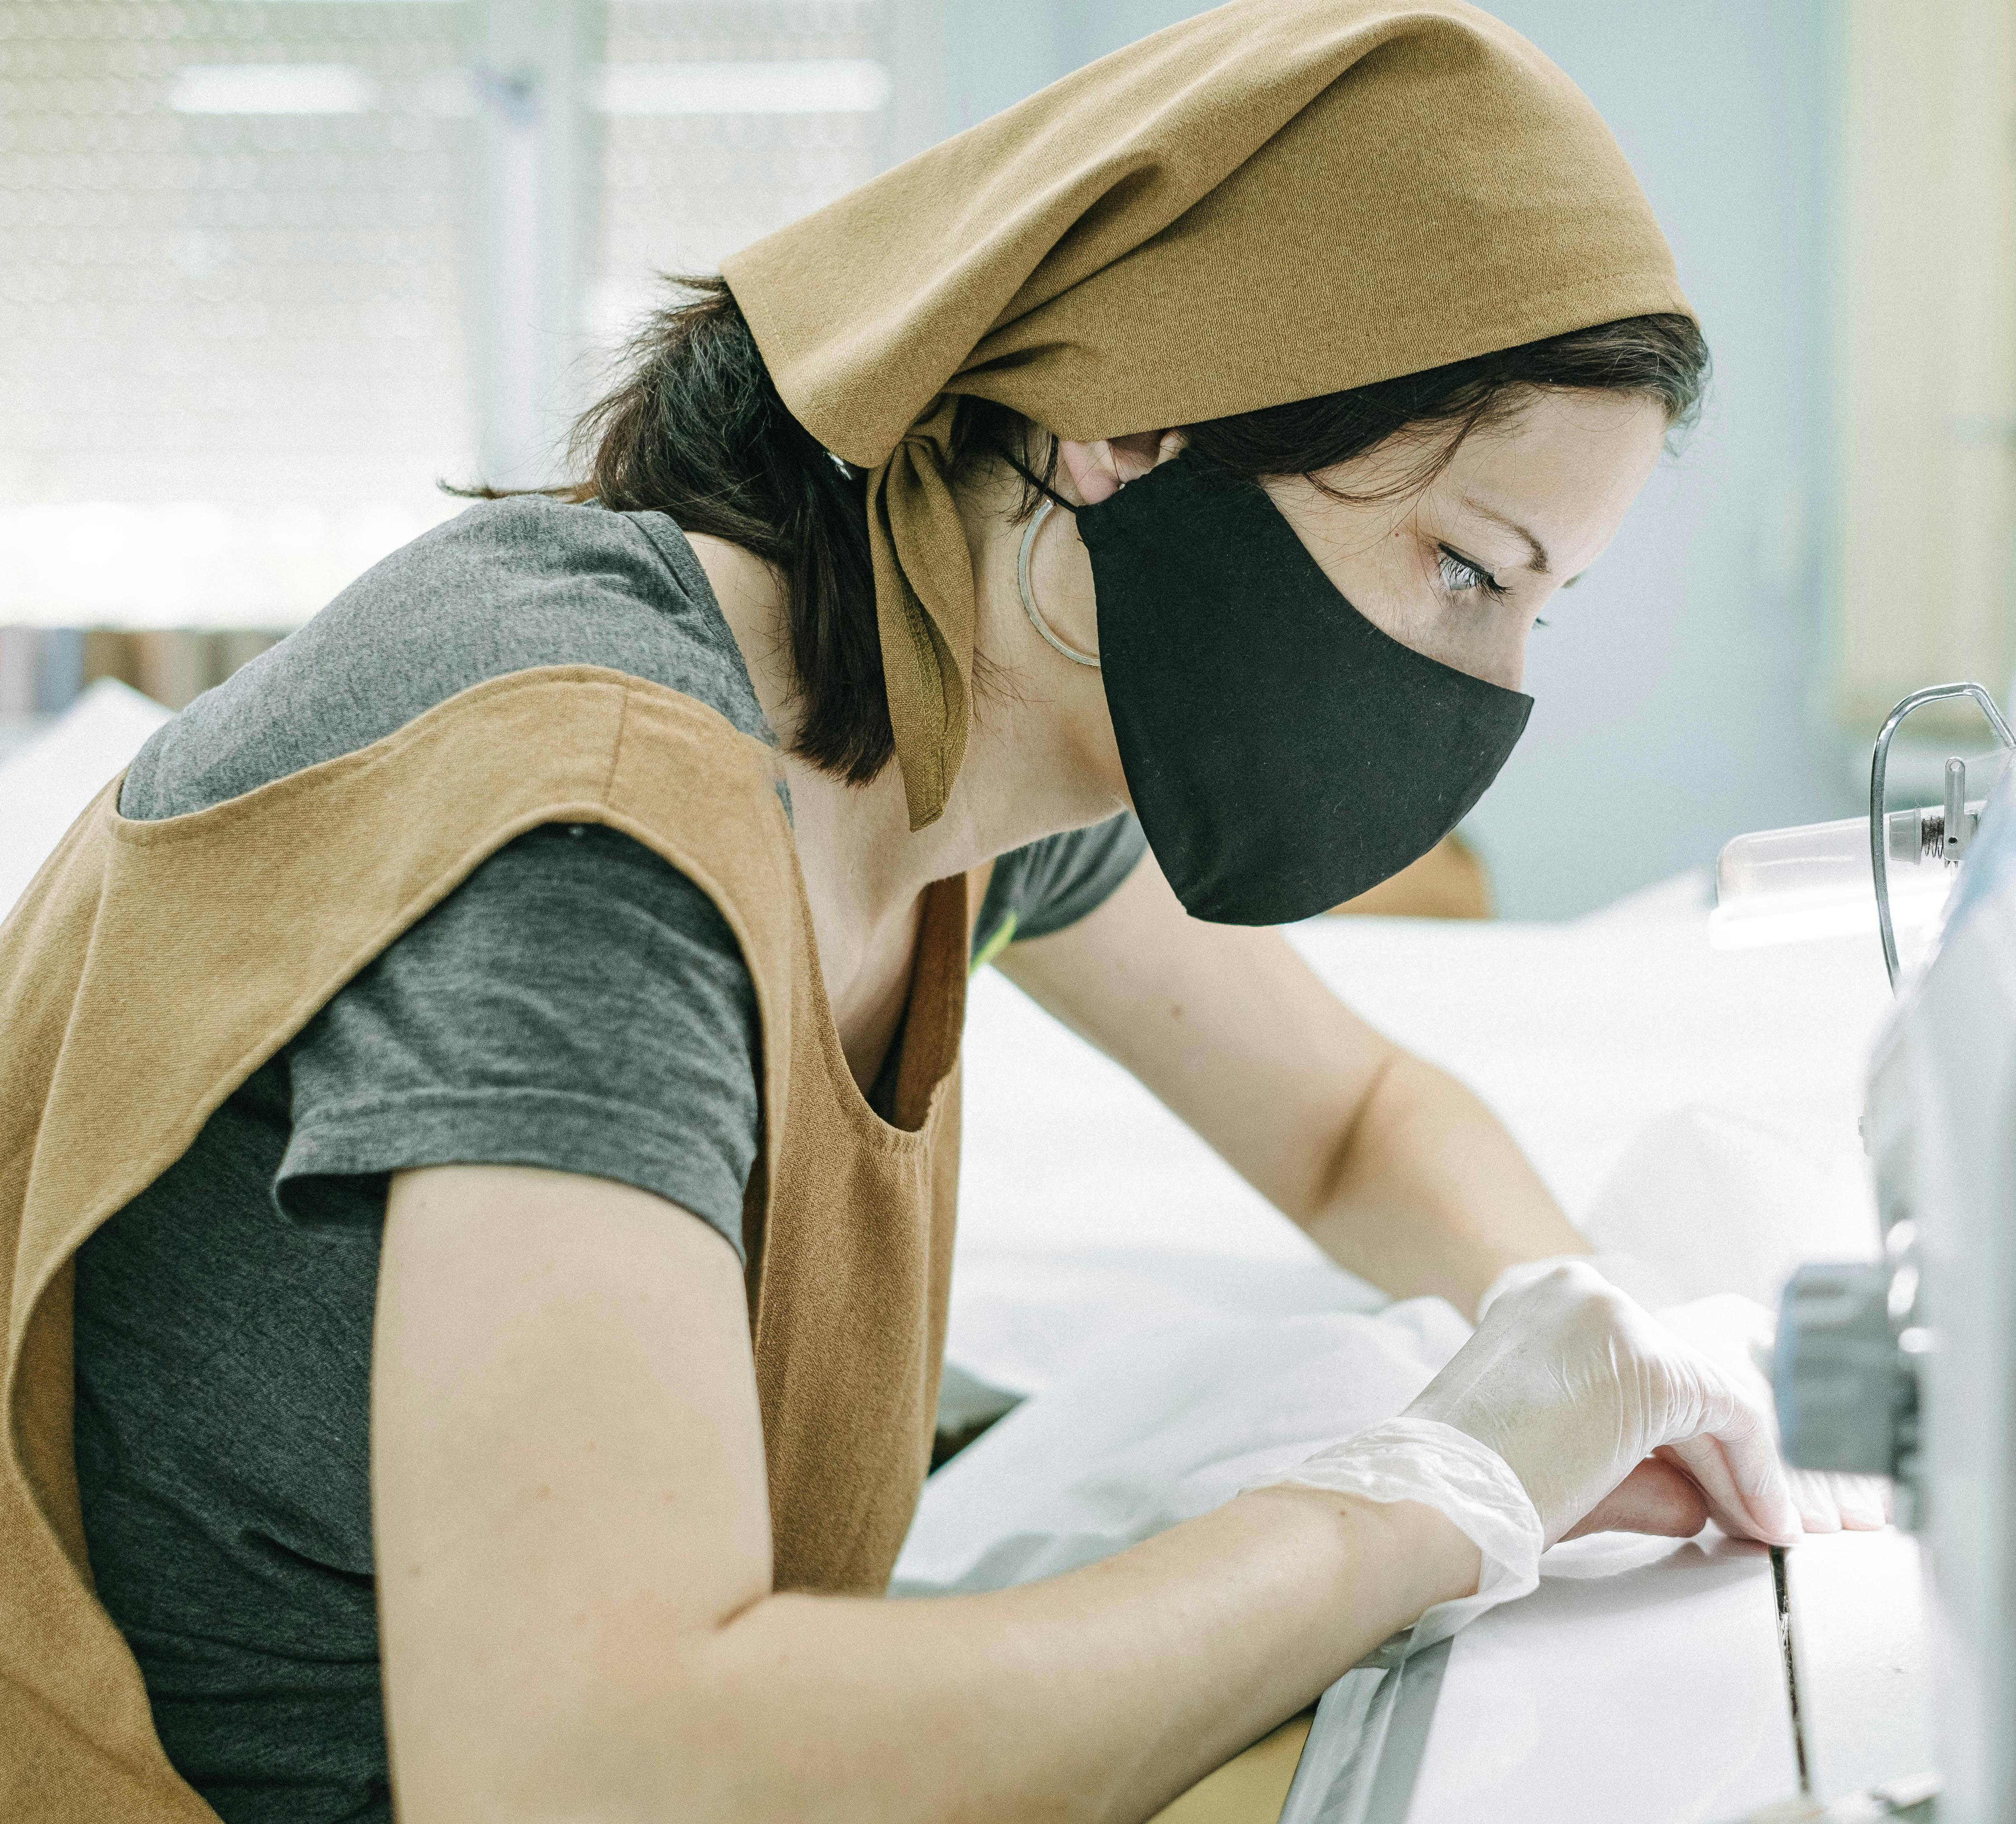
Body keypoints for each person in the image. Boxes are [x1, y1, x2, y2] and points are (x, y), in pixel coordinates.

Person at [0, 4, 1873, 1820]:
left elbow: (1348, 1113)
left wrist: (1601, 1339)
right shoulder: (591, 839)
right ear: (1136, 427)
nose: (1491, 683)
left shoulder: (960, 739)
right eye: (1467, 568)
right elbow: (591, 1772)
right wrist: (1422, 1498)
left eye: (1537, 606)